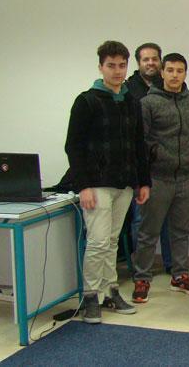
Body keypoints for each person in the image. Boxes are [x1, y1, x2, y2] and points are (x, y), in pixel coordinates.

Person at [65, 40, 150, 323]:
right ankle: (91, 296)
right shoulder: (87, 101)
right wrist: (83, 186)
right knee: (98, 242)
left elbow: (138, 145)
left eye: (122, 65)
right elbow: (73, 146)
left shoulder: (131, 102)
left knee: (113, 241)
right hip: (96, 185)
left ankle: (110, 290)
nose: (117, 71)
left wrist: (143, 182)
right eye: (111, 65)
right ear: (100, 67)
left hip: (124, 184)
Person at [131, 53, 189, 303]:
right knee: (148, 232)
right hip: (157, 178)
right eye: (170, 70)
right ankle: (142, 278)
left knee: (181, 231)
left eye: (180, 71)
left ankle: (180, 275)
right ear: (162, 72)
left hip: (186, 178)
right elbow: (141, 142)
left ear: (185, 74)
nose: (175, 75)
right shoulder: (148, 103)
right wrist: (147, 175)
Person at [126, 42, 171, 272]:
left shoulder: (169, 87)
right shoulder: (128, 90)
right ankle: (141, 267)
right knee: (140, 220)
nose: (151, 63)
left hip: (166, 167)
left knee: (168, 221)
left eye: (155, 59)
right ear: (138, 63)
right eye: (146, 59)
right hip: (140, 167)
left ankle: (171, 265)